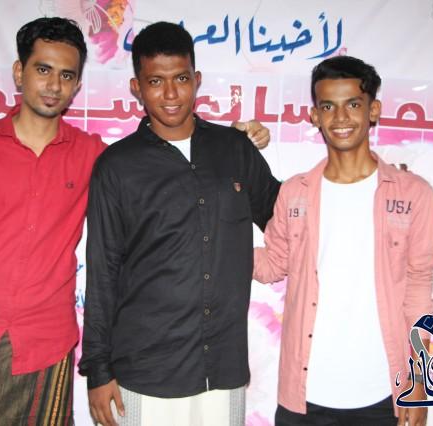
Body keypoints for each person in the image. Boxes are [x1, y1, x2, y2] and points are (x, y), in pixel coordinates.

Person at [0, 16, 270, 425]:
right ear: (19, 72)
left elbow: (168, 170)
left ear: (78, 84)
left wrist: (234, 142)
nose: (53, 85)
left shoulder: (94, 155)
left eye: (66, 75)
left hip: (48, 348)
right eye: (43, 70)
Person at [79, 21, 281, 426]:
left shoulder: (234, 150)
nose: (170, 94)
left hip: (222, 369)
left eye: (181, 79)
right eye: (156, 81)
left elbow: (288, 218)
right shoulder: (116, 166)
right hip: (144, 371)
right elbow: (103, 271)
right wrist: (98, 370)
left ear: (196, 80)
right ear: (137, 88)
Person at [253, 55, 433, 426]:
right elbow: (272, 265)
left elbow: (419, 292)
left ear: (373, 110)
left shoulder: (414, 194)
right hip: (304, 397)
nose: (340, 118)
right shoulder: (294, 193)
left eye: (353, 104)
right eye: (328, 107)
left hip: (382, 395)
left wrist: (419, 381)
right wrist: (210, 239)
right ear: (314, 116)